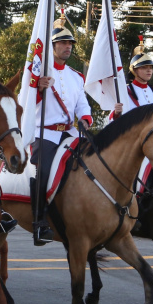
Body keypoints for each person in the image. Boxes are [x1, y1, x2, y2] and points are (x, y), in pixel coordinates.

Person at [30, 15, 93, 245]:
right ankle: (39, 222)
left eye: (70, 44)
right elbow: (23, 101)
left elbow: (81, 103)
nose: (68, 47)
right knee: (43, 171)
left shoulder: (76, 77)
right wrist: (38, 88)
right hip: (44, 132)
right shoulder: (38, 72)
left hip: (69, 133)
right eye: (63, 43)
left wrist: (86, 118)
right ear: (52, 46)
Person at [113, 35, 153, 119]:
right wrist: (116, 113)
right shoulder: (124, 92)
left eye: (150, 68)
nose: (149, 70)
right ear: (134, 70)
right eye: (144, 67)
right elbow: (111, 121)